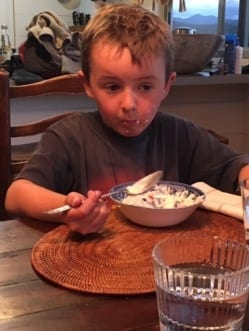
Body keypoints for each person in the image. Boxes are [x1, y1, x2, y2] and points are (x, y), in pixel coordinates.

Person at [5, 3, 249, 234]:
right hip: (92, 263)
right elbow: (16, 195)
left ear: (166, 85)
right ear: (87, 84)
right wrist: (68, 210)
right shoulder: (68, 138)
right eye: (112, 87)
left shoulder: (181, 136)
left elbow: (237, 167)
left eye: (145, 87)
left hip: (165, 261)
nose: (129, 105)